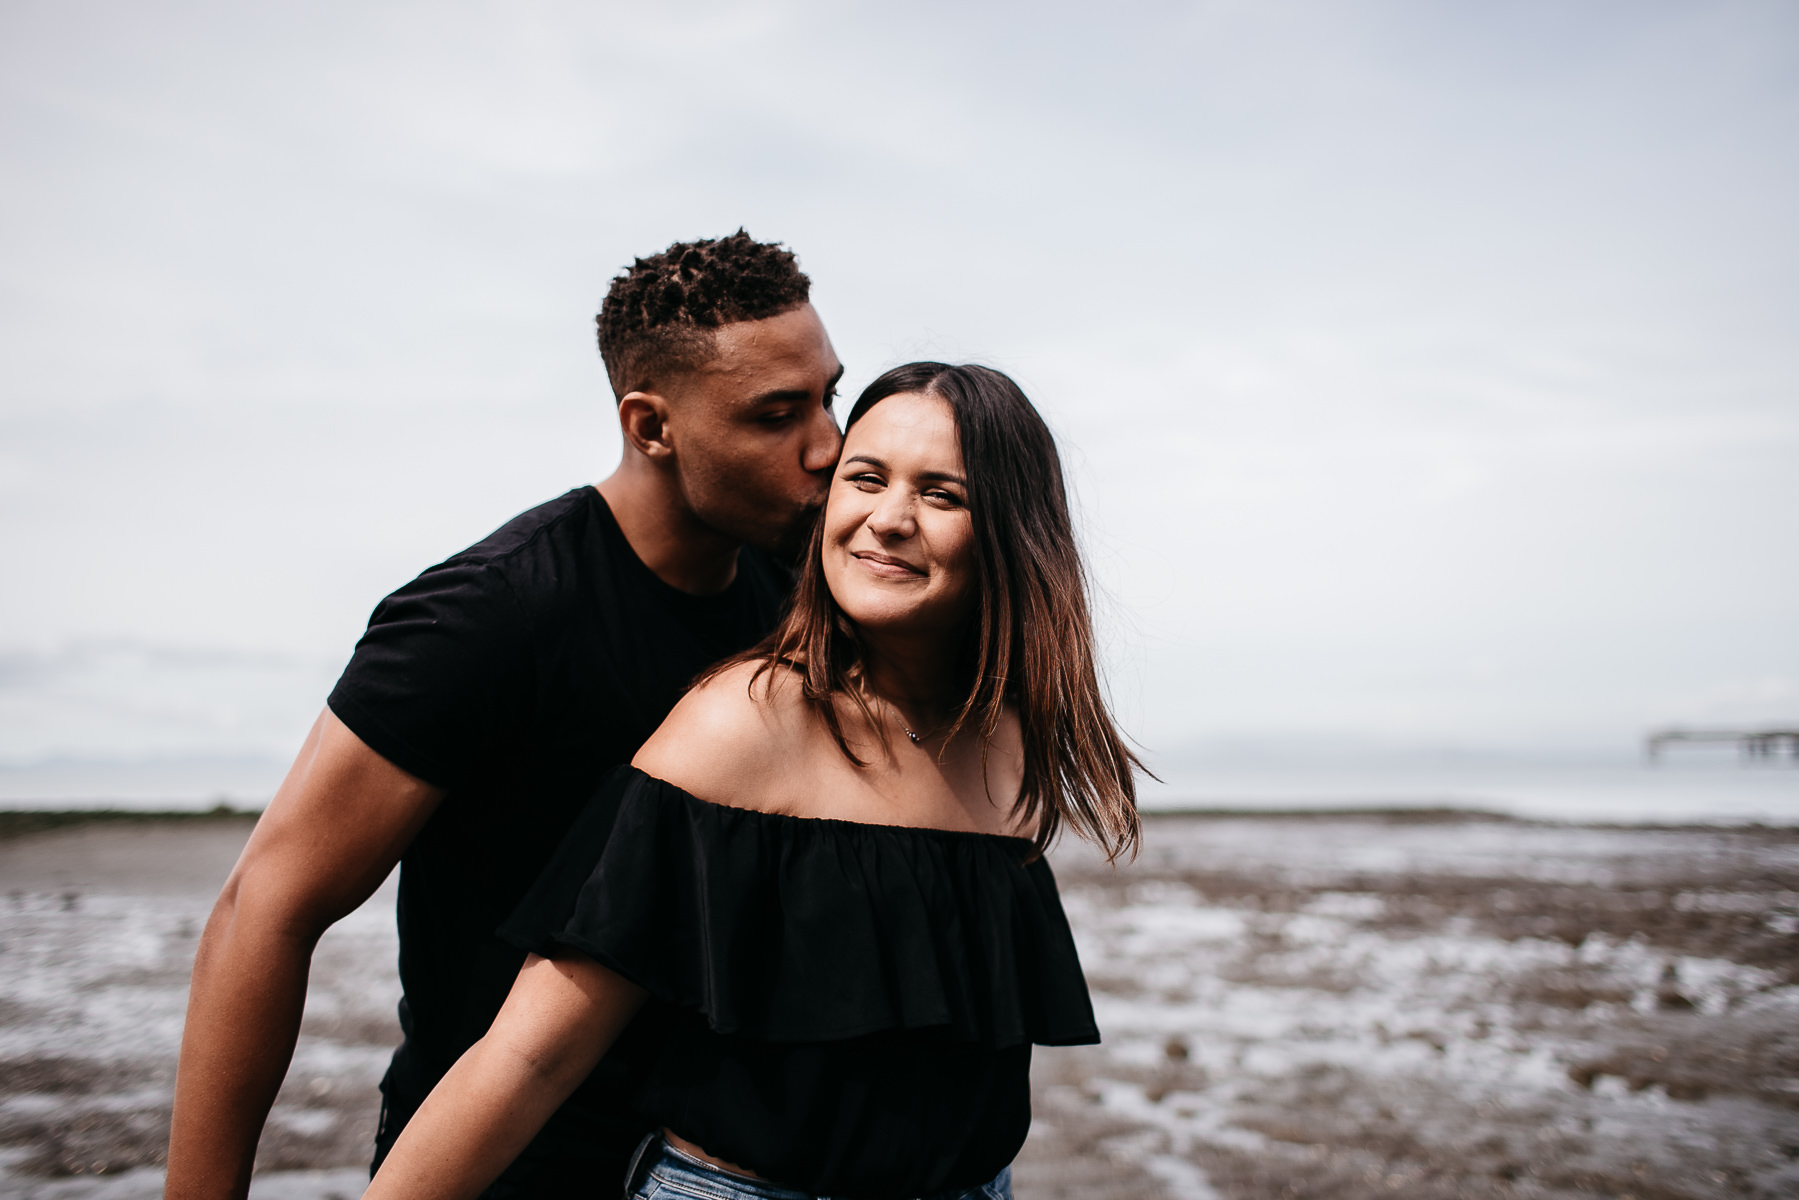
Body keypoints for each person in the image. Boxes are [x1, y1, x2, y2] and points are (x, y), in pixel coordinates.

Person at [164, 232, 845, 1200]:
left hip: (713, 1169)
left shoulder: (797, 601)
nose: (829, 446)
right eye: (778, 416)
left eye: (830, 397)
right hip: (500, 1169)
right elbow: (263, 909)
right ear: (651, 426)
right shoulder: (489, 615)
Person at [361, 363, 1142, 1200]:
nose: (890, 519)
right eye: (866, 478)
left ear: (1012, 533)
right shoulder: (741, 722)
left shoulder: (1010, 738)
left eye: (943, 495)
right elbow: (530, 1055)